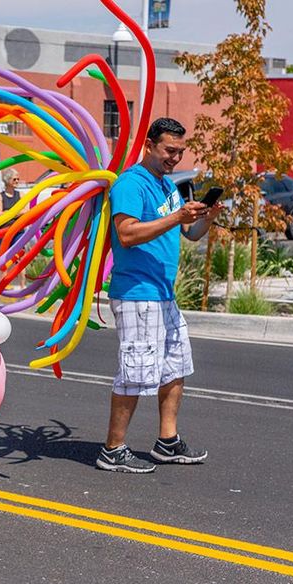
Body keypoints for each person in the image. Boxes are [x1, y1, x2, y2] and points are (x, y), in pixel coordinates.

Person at [96, 117, 221, 474]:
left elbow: (190, 234)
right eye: (169, 150)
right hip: (137, 293)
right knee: (134, 372)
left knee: (175, 366)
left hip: (164, 294)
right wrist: (178, 214)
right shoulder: (130, 184)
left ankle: (167, 442)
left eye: (180, 152)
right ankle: (113, 449)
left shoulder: (168, 186)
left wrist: (206, 218)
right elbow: (127, 234)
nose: (174, 158)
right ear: (149, 144)